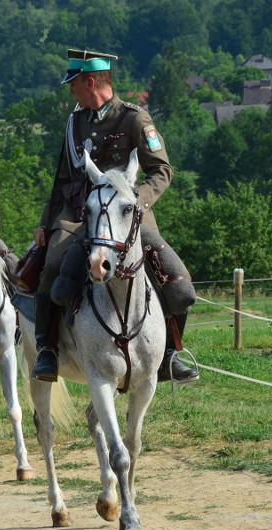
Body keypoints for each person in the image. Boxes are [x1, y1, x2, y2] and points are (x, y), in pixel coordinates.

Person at [32, 48, 198, 384]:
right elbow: (62, 177)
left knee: (177, 279)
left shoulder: (134, 119)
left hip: (128, 214)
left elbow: (162, 170)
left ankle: (170, 354)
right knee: (51, 267)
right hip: (80, 212)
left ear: (91, 81)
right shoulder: (74, 123)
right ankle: (47, 350)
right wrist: (46, 222)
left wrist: (137, 202)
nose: (70, 90)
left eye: (74, 83)